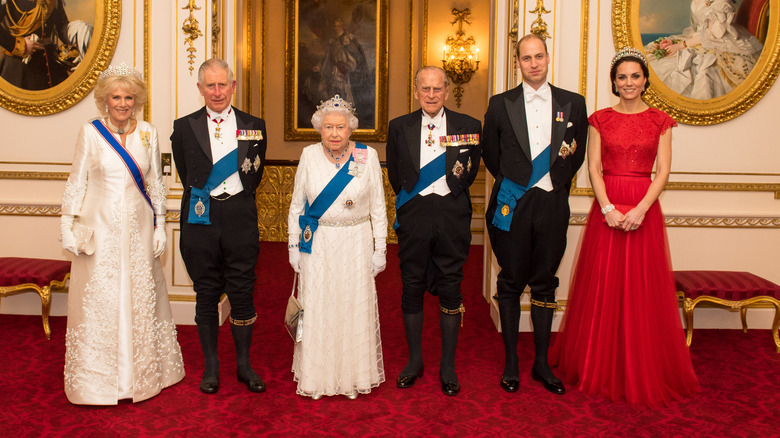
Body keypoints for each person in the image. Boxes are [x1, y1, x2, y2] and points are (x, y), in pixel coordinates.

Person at [550, 48, 700, 407]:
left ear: (645, 80)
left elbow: (662, 171)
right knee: (604, 285)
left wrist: (641, 210)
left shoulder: (661, 121)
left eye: (635, 76)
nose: (629, 83)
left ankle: (640, 365)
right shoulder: (599, 119)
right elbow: (594, 169)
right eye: (622, 77)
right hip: (609, 208)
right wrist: (608, 208)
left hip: (643, 207)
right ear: (614, 83)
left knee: (641, 289)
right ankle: (598, 364)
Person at [60, 63, 184, 405]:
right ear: (105, 100)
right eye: (116, 96)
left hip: (140, 226)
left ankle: (142, 376)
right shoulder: (90, 132)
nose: (123, 103)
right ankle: (100, 382)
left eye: (129, 97)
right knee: (102, 299)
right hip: (100, 227)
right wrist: (66, 225)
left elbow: (156, 183)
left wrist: (160, 224)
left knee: (141, 296)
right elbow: (77, 181)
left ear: (137, 100)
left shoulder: (148, 132)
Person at [482, 33, 588, 395]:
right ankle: (511, 362)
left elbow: (577, 155)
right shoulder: (500, 104)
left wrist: (551, 185)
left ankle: (541, 363)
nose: (533, 63)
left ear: (547, 57)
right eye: (526, 58)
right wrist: (520, 183)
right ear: (518, 63)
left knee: (545, 281)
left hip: (552, 203)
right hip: (512, 202)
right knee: (510, 280)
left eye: (538, 56)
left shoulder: (573, 103)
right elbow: (491, 155)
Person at [170, 58, 268, 395]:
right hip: (201, 218)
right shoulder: (183, 127)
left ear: (233, 86)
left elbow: (254, 172)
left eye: (222, 84)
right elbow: (186, 173)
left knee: (242, 292)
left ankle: (244, 365)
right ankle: (211, 367)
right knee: (206, 293)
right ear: (200, 89)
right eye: (209, 85)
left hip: (240, 217)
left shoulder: (255, 125)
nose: (217, 91)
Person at [385, 66, 481, 396]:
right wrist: (417, 205)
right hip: (414, 216)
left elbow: (469, 172)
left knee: (452, 288)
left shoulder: (469, 126)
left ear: (446, 90)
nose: (430, 95)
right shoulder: (399, 127)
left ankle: (448, 366)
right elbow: (396, 174)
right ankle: (414, 362)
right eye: (424, 89)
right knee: (411, 285)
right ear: (415, 91)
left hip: (452, 215)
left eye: (437, 89)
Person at [287, 94, 387, 399]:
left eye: (340, 127)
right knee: (319, 307)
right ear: (319, 128)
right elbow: (296, 205)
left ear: (350, 129)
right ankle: (318, 378)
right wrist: (293, 245)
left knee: (352, 305)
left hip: (356, 241)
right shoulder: (308, 155)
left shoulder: (366, 156)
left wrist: (380, 247)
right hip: (318, 243)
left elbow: (379, 207)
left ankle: (354, 377)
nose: (334, 133)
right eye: (328, 127)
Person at [643, 0, 763, 99]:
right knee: (653, 62)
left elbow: (712, 35)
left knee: (700, 72)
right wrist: (677, 42)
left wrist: (681, 45)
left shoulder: (722, 3)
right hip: (700, 40)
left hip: (721, 43)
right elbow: (698, 30)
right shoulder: (698, 1)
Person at [0, 0, 92, 90]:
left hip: (50, 62)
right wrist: (20, 45)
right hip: (19, 66)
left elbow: (61, 27)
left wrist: (78, 30)